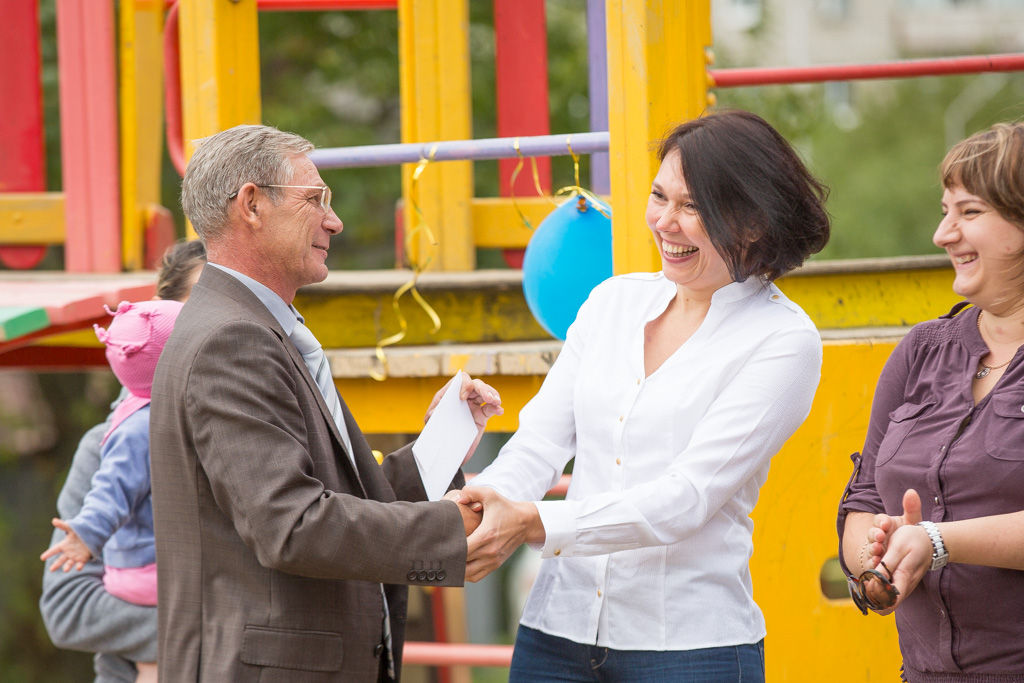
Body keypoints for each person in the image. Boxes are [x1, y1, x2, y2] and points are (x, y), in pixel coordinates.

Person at [453, 110, 831, 681]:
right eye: (660, 197)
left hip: (691, 649)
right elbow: (537, 445)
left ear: (753, 221)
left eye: (693, 207)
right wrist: (482, 503)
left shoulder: (784, 340)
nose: (665, 222)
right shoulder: (612, 302)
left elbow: (685, 498)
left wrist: (531, 523)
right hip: (557, 631)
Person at [148, 123, 500, 681]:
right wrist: (448, 529)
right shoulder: (232, 339)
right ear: (252, 205)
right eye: (315, 200)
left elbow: (324, 497)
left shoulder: (250, 327)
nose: (334, 221)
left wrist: (436, 452)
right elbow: (290, 525)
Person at [837, 122, 1024, 681]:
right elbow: (865, 495)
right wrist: (881, 562)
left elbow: (932, 537)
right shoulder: (922, 349)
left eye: (968, 213)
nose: (943, 234)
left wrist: (938, 541)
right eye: (945, 211)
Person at [39, 239, 206, 683]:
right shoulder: (110, 444)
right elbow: (68, 607)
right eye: (200, 309)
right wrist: (216, 636)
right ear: (160, 319)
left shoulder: (267, 436)